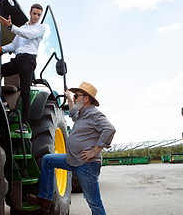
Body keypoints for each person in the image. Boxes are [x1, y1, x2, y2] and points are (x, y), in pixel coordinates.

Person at [27, 82, 116, 214]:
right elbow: (73, 113)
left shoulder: (94, 114)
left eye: (77, 96)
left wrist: (94, 151)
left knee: (94, 203)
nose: (74, 98)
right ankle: (45, 199)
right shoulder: (82, 114)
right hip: (74, 160)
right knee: (48, 160)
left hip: (87, 164)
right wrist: (69, 97)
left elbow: (110, 129)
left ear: (86, 99)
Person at [0, 4, 45, 133]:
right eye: (34, 13)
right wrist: (1, 49)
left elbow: (27, 35)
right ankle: (3, 103)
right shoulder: (23, 27)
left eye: (39, 14)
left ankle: (24, 124)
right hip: (17, 59)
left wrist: (10, 27)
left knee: (25, 91)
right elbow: (13, 45)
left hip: (28, 61)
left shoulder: (40, 28)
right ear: (30, 13)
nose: (36, 16)